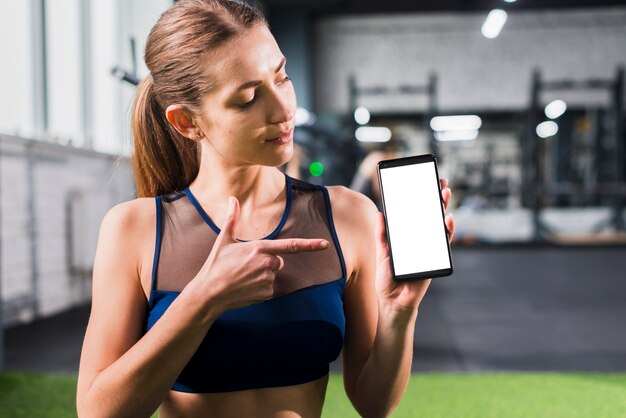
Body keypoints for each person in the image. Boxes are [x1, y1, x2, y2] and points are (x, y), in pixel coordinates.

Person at [76, 1, 455, 417]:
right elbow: (98, 413)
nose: (283, 109)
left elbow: (373, 403)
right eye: (249, 98)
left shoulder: (348, 216)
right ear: (187, 122)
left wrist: (400, 312)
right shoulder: (135, 229)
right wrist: (202, 300)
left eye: (282, 77)